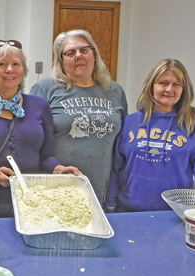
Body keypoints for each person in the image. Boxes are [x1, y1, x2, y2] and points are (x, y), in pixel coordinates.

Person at [0, 40, 81, 218]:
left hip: (31, 204)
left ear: (24, 71)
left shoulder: (40, 106)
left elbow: (46, 156)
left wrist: (57, 168)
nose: (9, 70)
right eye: (1, 64)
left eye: (16, 64)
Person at [106, 59, 195, 212]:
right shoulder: (129, 123)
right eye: (163, 83)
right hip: (127, 212)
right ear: (151, 86)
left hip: (173, 214)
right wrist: (110, 206)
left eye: (176, 84)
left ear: (184, 90)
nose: (169, 89)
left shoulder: (194, 127)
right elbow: (115, 171)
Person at [29, 29, 128, 206]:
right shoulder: (45, 89)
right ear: (61, 60)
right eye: (70, 53)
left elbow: (122, 145)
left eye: (84, 50)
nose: (78, 56)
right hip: (56, 190)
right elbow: (31, 142)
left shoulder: (115, 91)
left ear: (94, 54)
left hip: (102, 191)